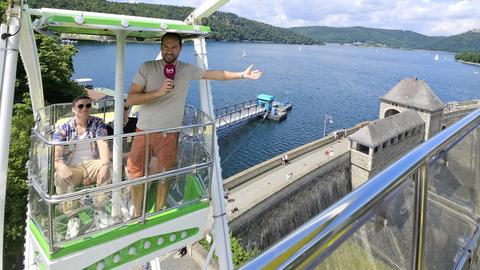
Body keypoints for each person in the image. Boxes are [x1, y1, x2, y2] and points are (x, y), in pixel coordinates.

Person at [126, 32, 262, 217]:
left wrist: (242, 75)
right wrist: (157, 93)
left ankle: (159, 211)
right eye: (165, 46)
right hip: (144, 131)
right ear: (160, 47)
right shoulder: (147, 67)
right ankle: (137, 213)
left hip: (169, 133)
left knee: (165, 175)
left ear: (180, 49)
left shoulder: (186, 69)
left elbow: (215, 74)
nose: (169, 51)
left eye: (174, 47)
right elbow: (132, 99)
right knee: (136, 175)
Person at [53, 96, 111, 214]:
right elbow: (56, 156)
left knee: (106, 167)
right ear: (73, 109)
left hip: (91, 165)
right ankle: (72, 216)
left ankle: (100, 209)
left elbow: (103, 144)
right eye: (80, 106)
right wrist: (61, 166)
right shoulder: (64, 128)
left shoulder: (97, 124)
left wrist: (105, 165)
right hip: (72, 167)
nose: (84, 108)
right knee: (59, 177)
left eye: (88, 105)